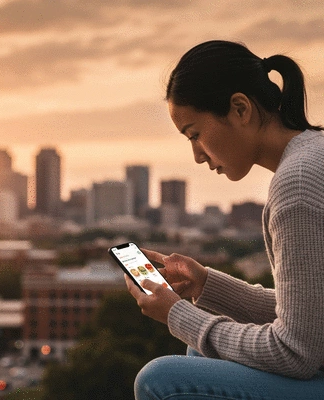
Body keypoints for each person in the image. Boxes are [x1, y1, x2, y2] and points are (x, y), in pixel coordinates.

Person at [124, 40, 324, 400]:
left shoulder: (297, 184)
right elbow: (309, 316)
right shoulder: (313, 154)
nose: (198, 155)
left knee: (160, 380)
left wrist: (177, 315)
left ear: (240, 108)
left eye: (195, 134)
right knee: (201, 354)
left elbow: (297, 352)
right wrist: (206, 286)